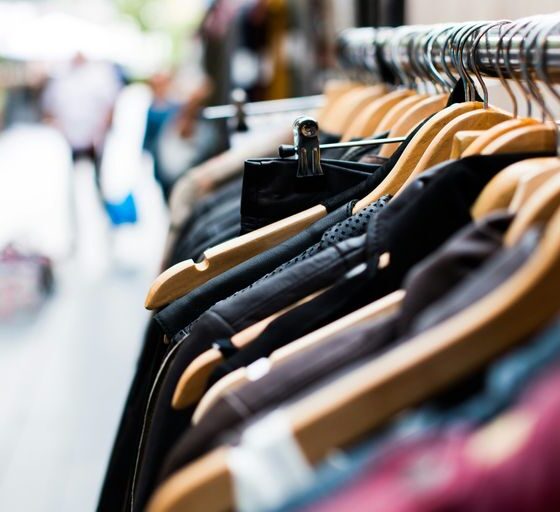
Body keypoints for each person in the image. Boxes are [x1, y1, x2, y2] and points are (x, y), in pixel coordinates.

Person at [41, 52, 122, 195]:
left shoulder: (99, 76)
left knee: (96, 181)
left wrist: (99, 133)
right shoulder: (62, 76)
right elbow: (49, 107)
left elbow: (110, 106)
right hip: (70, 139)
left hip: (94, 140)